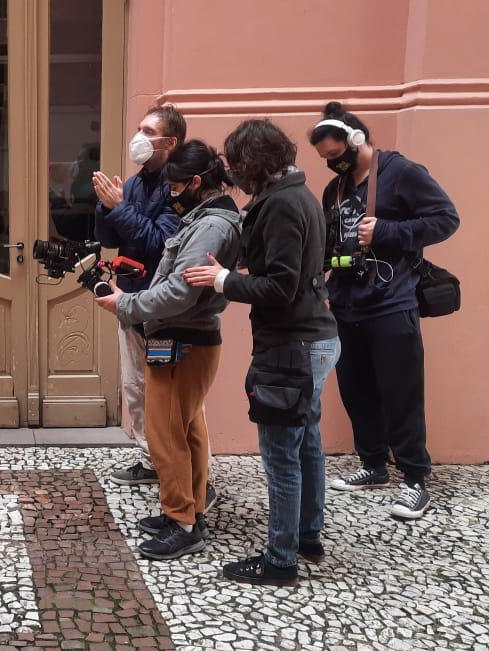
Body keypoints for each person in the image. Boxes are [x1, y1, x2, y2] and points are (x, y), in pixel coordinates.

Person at [185, 119, 339, 587]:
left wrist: (224, 281)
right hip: (315, 339)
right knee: (307, 442)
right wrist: (238, 270)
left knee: (281, 458)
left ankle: (280, 560)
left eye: (237, 165)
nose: (234, 174)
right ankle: (308, 537)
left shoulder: (282, 205)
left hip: (291, 345)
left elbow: (281, 286)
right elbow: (290, 269)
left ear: (254, 163)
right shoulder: (301, 195)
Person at [308, 102, 459, 519]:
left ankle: (414, 479)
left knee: (401, 393)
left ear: (356, 140)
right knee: (357, 390)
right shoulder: (333, 189)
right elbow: (328, 241)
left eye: (337, 155)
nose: (333, 164)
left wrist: (390, 231)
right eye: (325, 159)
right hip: (345, 304)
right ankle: (373, 465)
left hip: (392, 303)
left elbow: (447, 219)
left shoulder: (402, 172)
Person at [94, 140, 241, 560]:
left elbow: (180, 292)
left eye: (176, 186)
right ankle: (185, 510)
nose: (172, 193)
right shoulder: (205, 219)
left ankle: (183, 524)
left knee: (165, 434)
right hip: (180, 337)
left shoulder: (211, 226)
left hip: (183, 339)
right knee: (187, 429)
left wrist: (125, 304)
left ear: (197, 181)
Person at [94, 106, 217, 513]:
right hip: (129, 301)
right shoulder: (135, 183)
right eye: (139, 128)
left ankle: (195, 482)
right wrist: (106, 205)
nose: (139, 136)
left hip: (163, 309)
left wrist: (120, 208)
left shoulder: (179, 189)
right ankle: (153, 461)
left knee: (175, 402)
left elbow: (159, 243)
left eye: (148, 131)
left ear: (170, 142)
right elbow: (112, 237)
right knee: (135, 390)